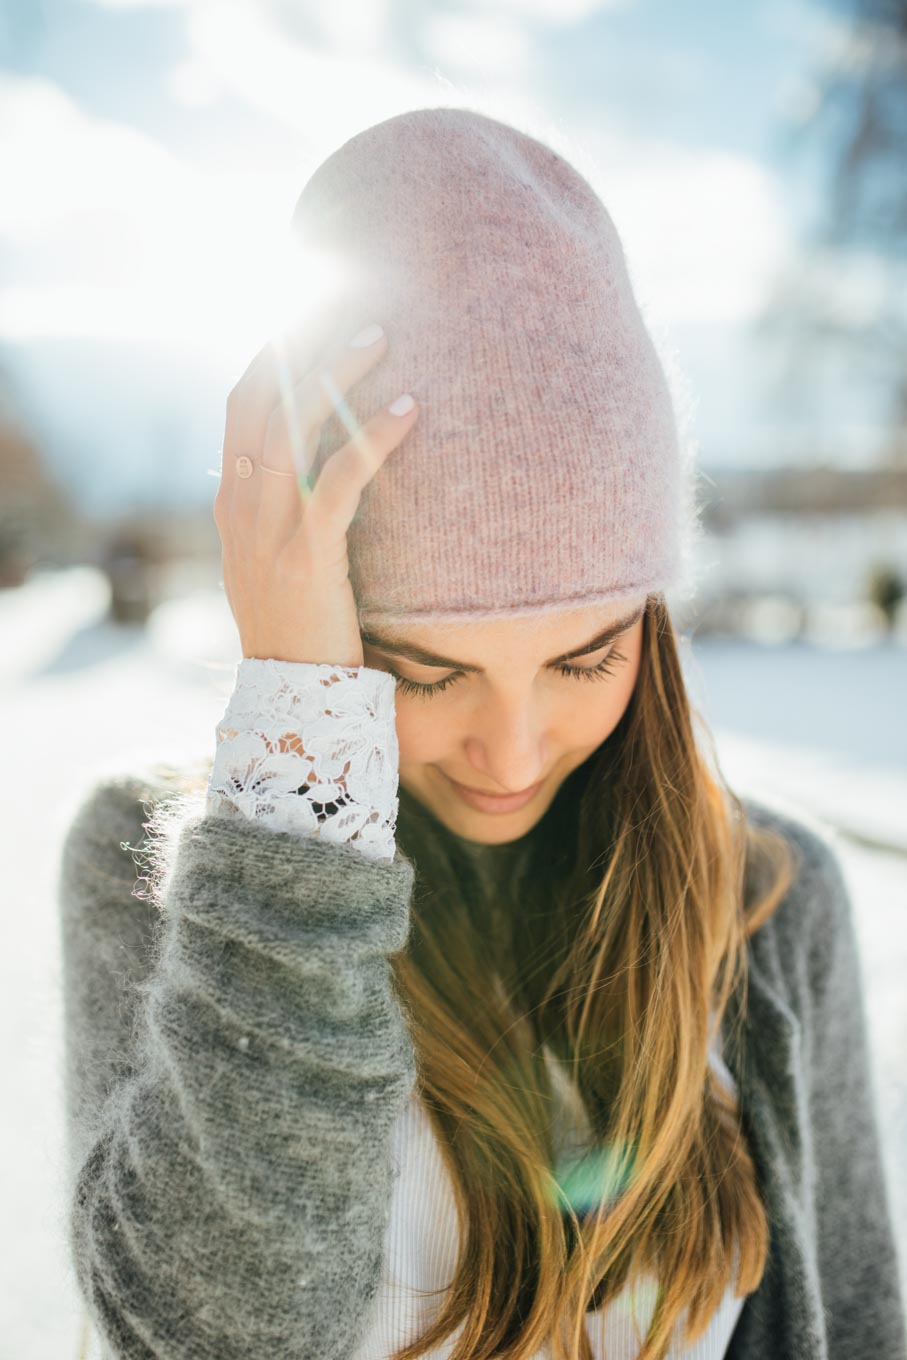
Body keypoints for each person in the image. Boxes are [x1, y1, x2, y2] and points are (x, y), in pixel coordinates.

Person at [58, 108, 906, 1360]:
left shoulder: (770, 902)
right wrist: (297, 777)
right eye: (421, 671)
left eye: (584, 657)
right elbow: (213, 1331)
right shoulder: (157, 862)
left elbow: (859, 1319)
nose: (511, 754)